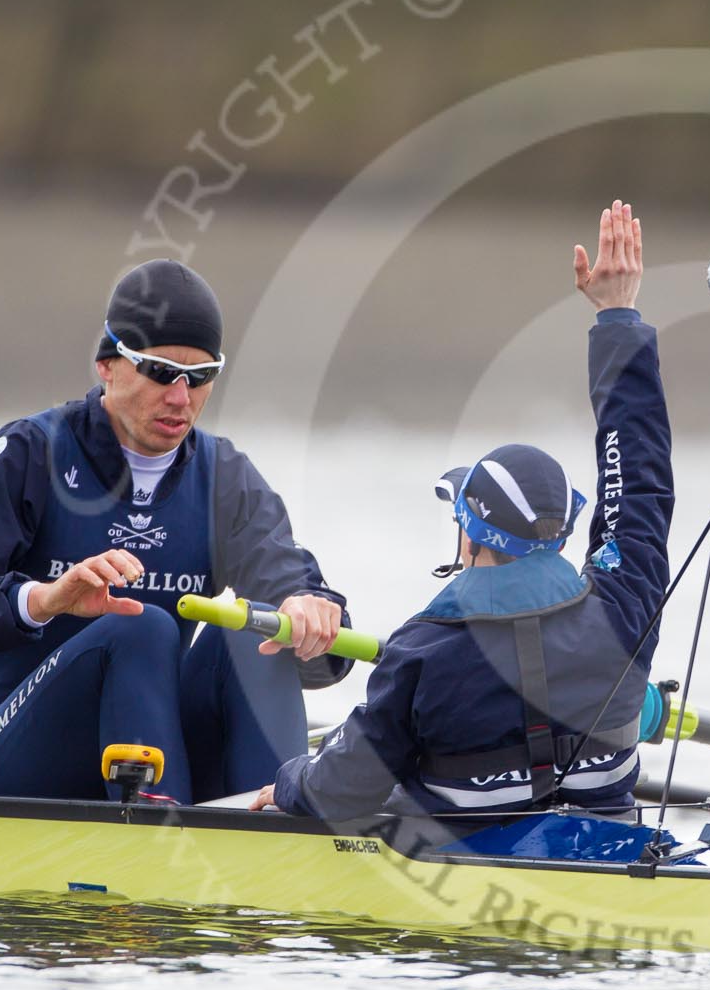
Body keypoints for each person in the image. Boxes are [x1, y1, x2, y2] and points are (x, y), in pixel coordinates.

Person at [260, 199, 672, 821]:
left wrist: (289, 780)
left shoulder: (422, 653)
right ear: (560, 534)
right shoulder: (624, 605)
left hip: (466, 883)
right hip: (610, 848)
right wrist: (618, 317)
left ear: (471, 535)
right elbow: (640, 478)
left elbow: (335, 790)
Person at [0, 259, 352, 803]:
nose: (181, 399)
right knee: (143, 628)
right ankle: (165, 847)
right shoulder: (31, 453)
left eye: (201, 377)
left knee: (259, 631)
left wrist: (313, 612)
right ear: (107, 364)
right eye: (161, 372)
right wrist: (44, 600)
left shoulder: (225, 479)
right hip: (1, 759)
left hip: (142, 751)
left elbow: (322, 657)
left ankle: (281, 832)